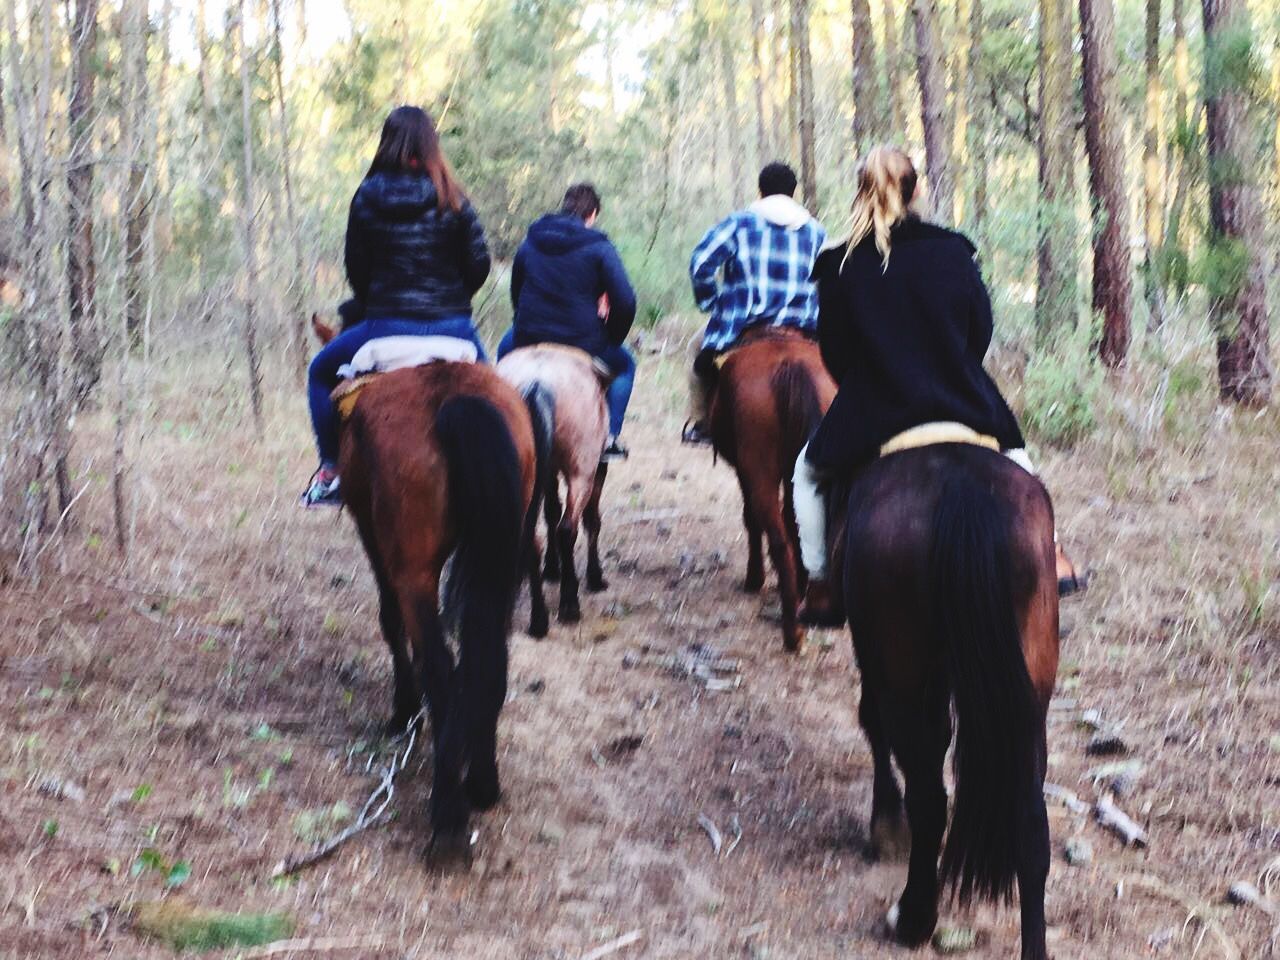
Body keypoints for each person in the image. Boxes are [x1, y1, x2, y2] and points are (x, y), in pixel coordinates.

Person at [793, 146, 1069, 622]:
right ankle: (1056, 554)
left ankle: (819, 586)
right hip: (960, 397)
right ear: (916, 190)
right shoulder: (953, 250)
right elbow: (979, 330)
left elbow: (834, 352)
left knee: (806, 476)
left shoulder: (838, 263)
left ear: (861, 193)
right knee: (1019, 463)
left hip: (874, 408)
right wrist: (950, 368)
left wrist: (870, 380)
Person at [301, 106, 491, 507]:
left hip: (384, 325)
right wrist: (452, 298)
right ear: (430, 144)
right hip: (452, 326)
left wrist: (381, 300)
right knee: (503, 398)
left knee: (319, 374)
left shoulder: (366, 196)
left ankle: (331, 470)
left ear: (386, 143)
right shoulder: (452, 195)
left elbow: (357, 271)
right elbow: (479, 265)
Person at [682, 162, 827, 445]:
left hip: (743, 326)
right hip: (803, 329)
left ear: (760, 191)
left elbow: (700, 263)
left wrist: (712, 301)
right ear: (794, 193)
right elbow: (829, 281)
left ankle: (701, 424)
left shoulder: (739, 223)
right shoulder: (816, 231)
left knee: (695, 350)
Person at [497, 183, 638, 461]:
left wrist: (525, 323)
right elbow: (626, 301)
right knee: (625, 366)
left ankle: (497, 424)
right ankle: (610, 437)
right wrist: (613, 336)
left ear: (565, 207)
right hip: (584, 340)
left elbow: (517, 291)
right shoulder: (599, 246)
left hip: (529, 335)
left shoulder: (532, 241)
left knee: (501, 357)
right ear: (592, 214)